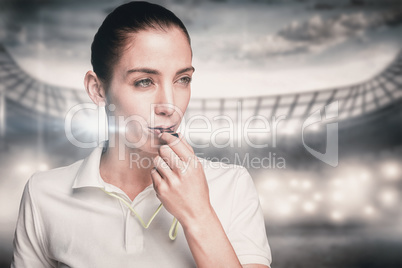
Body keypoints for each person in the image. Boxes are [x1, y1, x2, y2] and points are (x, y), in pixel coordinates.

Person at [11, 1, 272, 267]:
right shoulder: (43, 194)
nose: (169, 106)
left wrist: (199, 215)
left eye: (183, 79)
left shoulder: (232, 185)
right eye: (144, 81)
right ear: (97, 89)